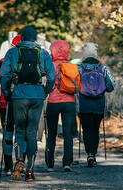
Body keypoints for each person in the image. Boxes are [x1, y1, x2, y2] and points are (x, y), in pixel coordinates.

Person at [1, 26, 56, 182]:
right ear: (35, 38)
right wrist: (45, 91)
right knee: (32, 133)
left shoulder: (12, 52)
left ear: (23, 37)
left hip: (18, 95)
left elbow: (4, 75)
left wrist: (6, 92)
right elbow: (52, 76)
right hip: (37, 96)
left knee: (19, 131)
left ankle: (19, 163)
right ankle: (30, 171)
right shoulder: (43, 53)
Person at [0, 35, 21, 176]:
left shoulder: (3, 62)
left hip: (5, 104)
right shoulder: (31, 63)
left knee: (7, 135)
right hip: (23, 104)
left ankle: (7, 166)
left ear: (12, 46)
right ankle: (20, 164)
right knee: (21, 134)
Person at [78, 42, 115, 167]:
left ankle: (89, 153)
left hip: (83, 105)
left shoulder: (79, 68)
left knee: (86, 130)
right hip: (99, 104)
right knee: (95, 130)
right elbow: (110, 87)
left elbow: (74, 87)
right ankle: (93, 154)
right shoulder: (103, 69)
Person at [45, 40, 77, 172]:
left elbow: (47, 84)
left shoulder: (50, 66)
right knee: (68, 133)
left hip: (53, 102)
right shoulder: (71, 66)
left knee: (51, 133)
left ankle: (50, 164)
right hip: (69, 102)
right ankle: (67, 163)